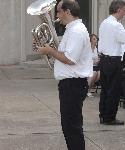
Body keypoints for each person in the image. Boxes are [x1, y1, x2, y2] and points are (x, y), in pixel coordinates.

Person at [36, 0, 93, 149]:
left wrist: (50, 51)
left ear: (68, 12)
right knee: (69, 126)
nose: (56, 15)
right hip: (70, 84)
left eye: (58, 11)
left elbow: (69, 59)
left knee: (72, 127)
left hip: (73, 84)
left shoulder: (76, 31)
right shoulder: (71, 29)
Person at [98, 0, 125, 125]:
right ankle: (109, 117)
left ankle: (103, 115)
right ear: (119, 10)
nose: (124, 14)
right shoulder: (117, 25)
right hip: (113, 61)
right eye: (124, 11)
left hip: (103, 60)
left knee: (105, 89)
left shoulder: (104, 22)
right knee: (114, 90)